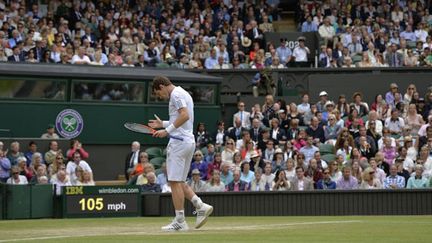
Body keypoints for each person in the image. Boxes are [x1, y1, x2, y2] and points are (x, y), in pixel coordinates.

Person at [148, 76, 212, 231]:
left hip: (178, 143)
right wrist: (162, 124)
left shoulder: (175, 95)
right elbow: (181, 120)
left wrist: (166, 131)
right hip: (188, 141)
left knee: (174, 182)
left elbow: (184, 116)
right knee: (180, 181)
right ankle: (200, 205)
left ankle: (180, 221)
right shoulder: (183, 93)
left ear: (162, 86)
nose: (160, 97)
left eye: (158, 93)